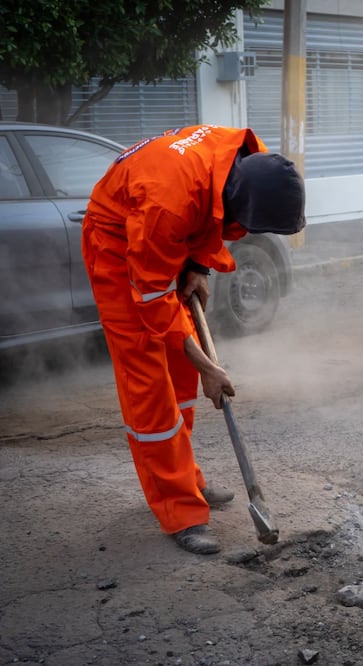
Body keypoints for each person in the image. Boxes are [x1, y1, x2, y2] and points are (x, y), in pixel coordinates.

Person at [82, 125, 306, 555]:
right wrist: (211, 367)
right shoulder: (169, 203)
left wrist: (199, 263)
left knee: (182, 370)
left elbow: (212, 212)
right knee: (149, 380)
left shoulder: (249, 159)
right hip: (118, 243)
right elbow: (151, 299)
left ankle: (187, 478)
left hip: (171, 231)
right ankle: (179, 509)